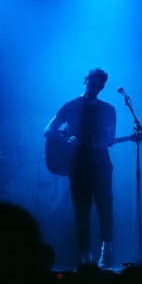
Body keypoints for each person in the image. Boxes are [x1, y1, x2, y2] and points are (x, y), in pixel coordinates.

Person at [44, 67, 117, 268]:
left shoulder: (108, 109)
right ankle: (85, 257)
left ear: (102, 87)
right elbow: (48, 130)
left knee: (105, 207)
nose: (94, 88)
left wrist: (106, 141)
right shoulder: (71, 106)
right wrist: (67, 137)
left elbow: (111, 138)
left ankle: (106, 250)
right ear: (85, 81)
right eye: (91, 84)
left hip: (101, 163)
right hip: (77, 165)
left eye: (98, 86)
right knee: (81, 210)